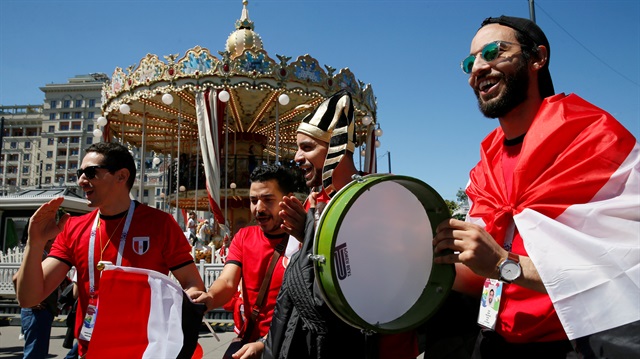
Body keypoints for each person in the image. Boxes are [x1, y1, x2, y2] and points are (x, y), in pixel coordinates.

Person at [433, 15, 639, 358]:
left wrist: (503, 264)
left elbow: (622, 268)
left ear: (538, 58)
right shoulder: (486, 167)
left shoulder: (594, 138)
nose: (478, 68)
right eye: (471, 62)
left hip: (580, 343)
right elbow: (476, 275)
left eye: (494, 52)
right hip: (495, 341)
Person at [264, 90, 419, 359]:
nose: (297, 157)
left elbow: (376, 275)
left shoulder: (380, 194)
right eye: (298, 148)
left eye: (308, 147)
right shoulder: (312, 202)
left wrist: (310, 234)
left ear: (335, 147)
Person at [14, 142, 205, 357]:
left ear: (121, 176)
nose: (81, 180)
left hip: (145, 351)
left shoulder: (160, 224)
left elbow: (192, 284)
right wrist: (35, 242)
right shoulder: (73, 228)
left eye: (90, 172)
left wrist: (190, 301)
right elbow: (29, 298)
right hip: (89, 350)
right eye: (80, 173)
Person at [194, 165, 302, 359]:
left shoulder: (303, 240)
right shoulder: (243, 237)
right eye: (253, 201)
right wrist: (209, 298)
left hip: (289, 342)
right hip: (249, 338)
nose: (258, 208)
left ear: (288, 200)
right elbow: (227, 281)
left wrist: (265, 343)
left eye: (268, 200)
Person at [12, 237, 62, 359]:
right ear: (48, 242)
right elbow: (16, 278)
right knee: (34, 352)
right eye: (54, 240)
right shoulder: (40, 256)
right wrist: (24, 301)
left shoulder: (45, 255)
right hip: (37, 310)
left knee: (38, 350)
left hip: (42, 309)